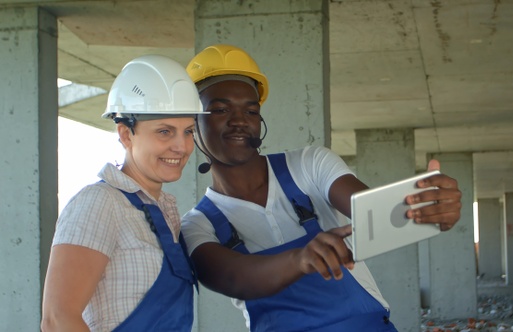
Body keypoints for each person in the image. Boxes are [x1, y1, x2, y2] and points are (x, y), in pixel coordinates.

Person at [181, 44, 462, 332]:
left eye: (251, 111)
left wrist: (426, 208)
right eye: (219, 109)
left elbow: (370, 211)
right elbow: (233, 278)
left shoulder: (308, 165)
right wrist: (301, 258)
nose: (240, 120)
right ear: (191, 122)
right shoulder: (197, 225)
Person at [41, 54, 206, 332]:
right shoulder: (100, 203)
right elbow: (58, 319)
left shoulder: (163, 211)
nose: (182, 146)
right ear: (126, 135)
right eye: (165, 132)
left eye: (188, 131)